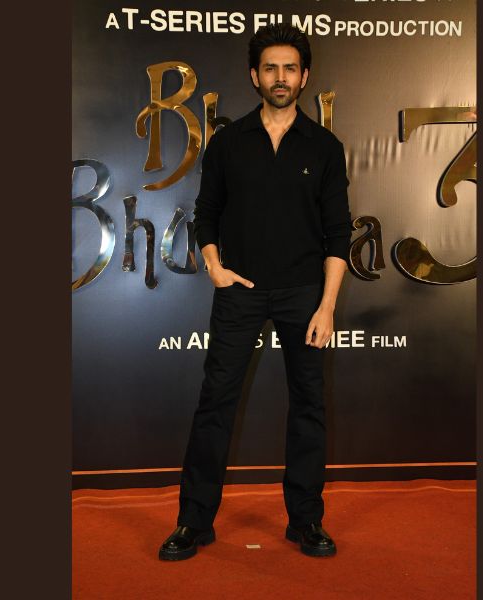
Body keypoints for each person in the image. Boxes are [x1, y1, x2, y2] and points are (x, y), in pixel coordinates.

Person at [159, 23, 352, 561]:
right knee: (214, 404)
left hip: (304, 296)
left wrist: (327, 306)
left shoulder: (326, 147)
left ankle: (306, 521)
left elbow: (338, 233)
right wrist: (214, 267)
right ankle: (193, 522)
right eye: (271, 68)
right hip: (239, 293)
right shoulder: (228, 143)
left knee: (308, 405)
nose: (280, 77)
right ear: (254, 75)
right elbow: (206, 213)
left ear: (304, 77)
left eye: (290, 68)